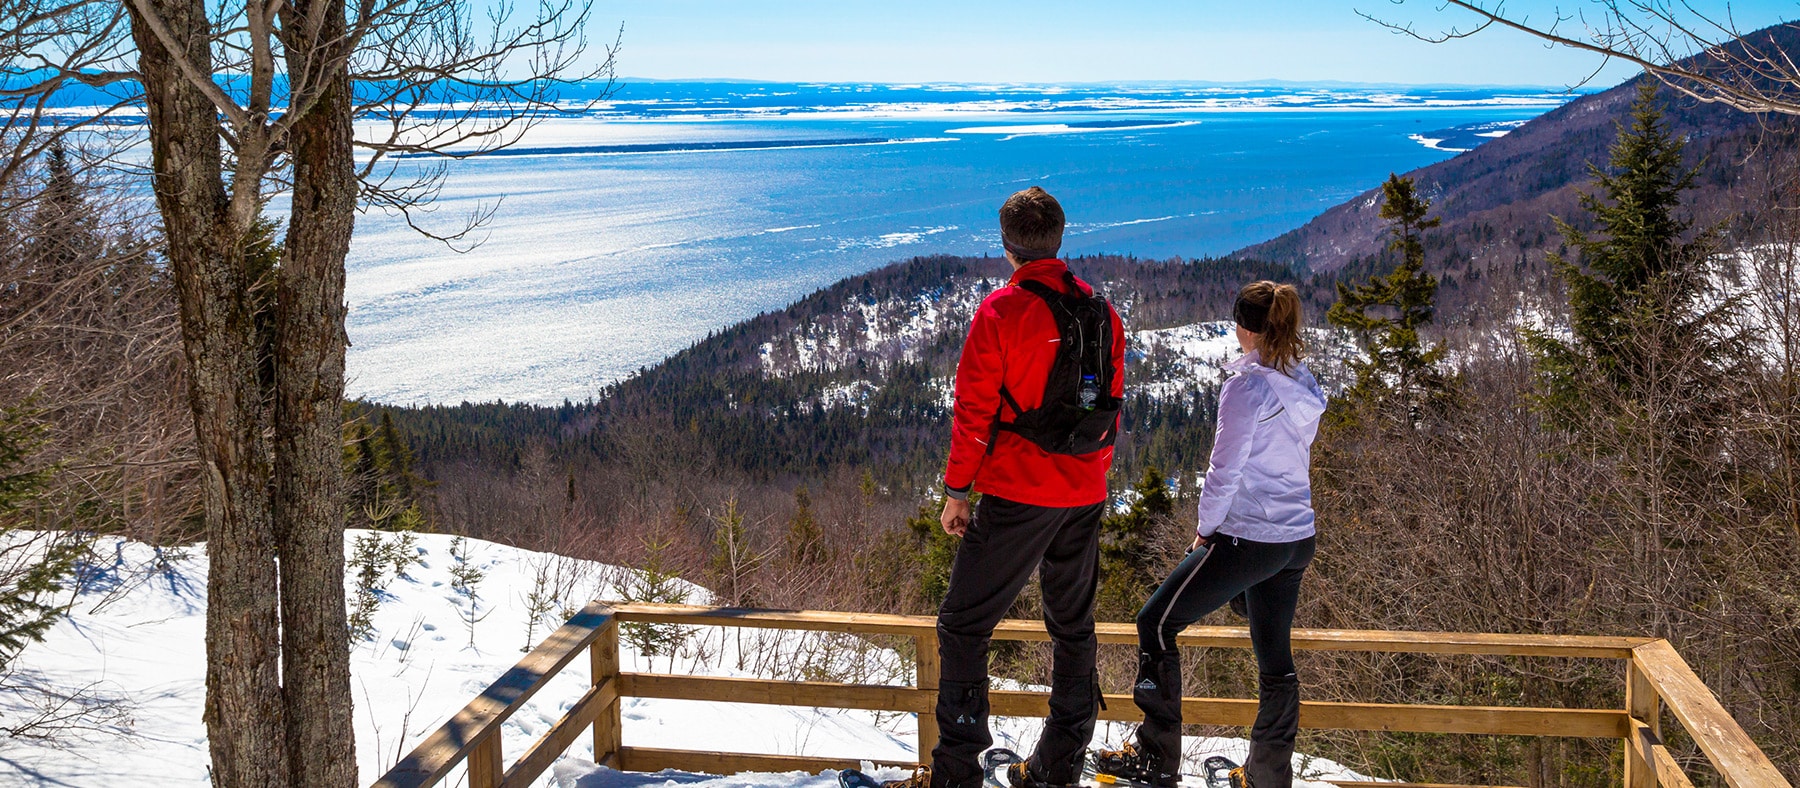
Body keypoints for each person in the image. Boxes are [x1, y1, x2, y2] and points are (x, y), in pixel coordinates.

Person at [882, 186, 1125, 788]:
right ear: (1059, 238)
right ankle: (1058, 766)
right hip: (1084, 489)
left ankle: (957, 772)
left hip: (1021, 488)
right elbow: (1112, 406)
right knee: (1073, 626)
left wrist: (957, 491)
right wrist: (1092, 474)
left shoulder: (1002, 312)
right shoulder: (1101, 310)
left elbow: (973, 411)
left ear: (1007, 245)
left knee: (963, 625)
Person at [1091, 281, 1326, 788]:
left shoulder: (1247, 386)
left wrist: (1205, 532)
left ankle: (1154, 758)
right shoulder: (1301, 382)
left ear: (1245, 326)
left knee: (1154, 622)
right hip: (1296, 537)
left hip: (1250, 535)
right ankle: (1266, 775)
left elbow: (1224, 471)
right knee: (1275, 659)